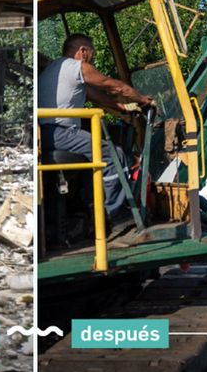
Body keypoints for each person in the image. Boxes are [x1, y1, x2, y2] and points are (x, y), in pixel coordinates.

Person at [38, 33, 154, 235]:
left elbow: (96, 96)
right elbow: (114, 85)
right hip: (60, 132)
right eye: (92, 54)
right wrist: (144, 100)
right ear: (83, 52)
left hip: (46, 134)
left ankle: (92, 211)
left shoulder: (56, 68)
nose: (92, 60)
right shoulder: (76, 67)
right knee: (112, 153)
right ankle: (117, 215)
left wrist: (124, 108)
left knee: (97, 156)